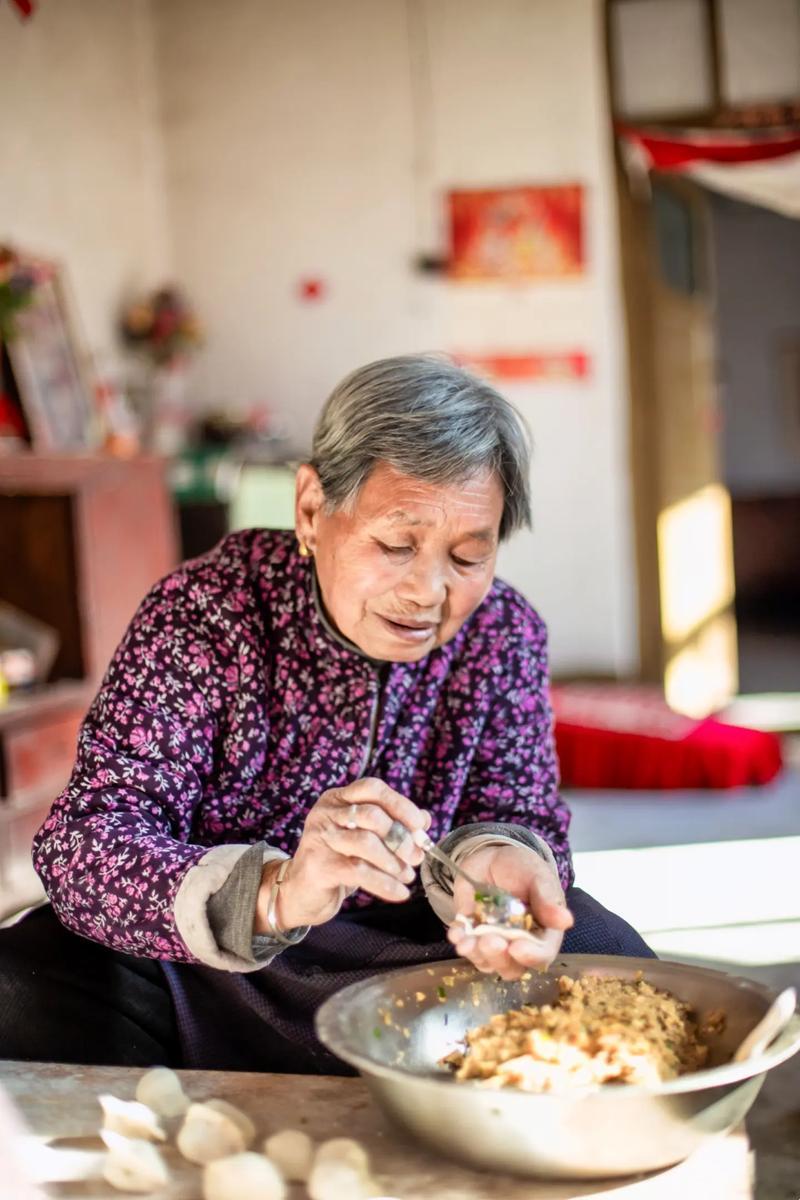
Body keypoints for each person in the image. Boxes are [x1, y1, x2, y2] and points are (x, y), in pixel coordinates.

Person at [0, 355, 652, 1073]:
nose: (428, 592)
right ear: (311, 508)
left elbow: (520, 807)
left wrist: (499, 863)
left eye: (468, 556)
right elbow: (85, 844)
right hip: (210, 970)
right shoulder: (205, 614)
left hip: (419, 958)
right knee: (20, 985)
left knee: (610, 962)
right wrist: (277, 893)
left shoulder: (501, 631)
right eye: (395, 545)